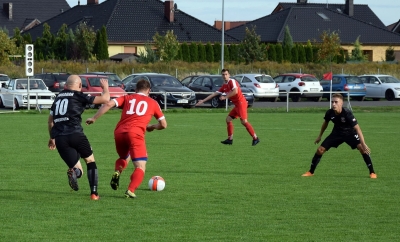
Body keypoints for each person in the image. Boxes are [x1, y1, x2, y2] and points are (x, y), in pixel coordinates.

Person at [86, 79, 167, 199]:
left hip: (119, 132)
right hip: (135, 133)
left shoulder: (127, 97)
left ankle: (118, 171)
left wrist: (94, 118)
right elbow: (163, 125)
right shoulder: (153, 103)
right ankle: (130, 190)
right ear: (149, 91)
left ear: (135, 89)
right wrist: (152, 127)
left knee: (124, 157)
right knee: (140, 166)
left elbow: (108, 104)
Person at [47, 75, 110, 200]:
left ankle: (74, 173)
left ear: (66, 85)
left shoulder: (58, 98)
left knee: (78, 169)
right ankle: (94, 194)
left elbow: (50, 122)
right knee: (90, 161)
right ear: (80, 86)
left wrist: (52, 138)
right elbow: (105, 99)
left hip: (60, 138)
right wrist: (106, 88)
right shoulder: (78, 95)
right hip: (76, 135)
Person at [302, 93, 377, 179]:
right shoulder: (330, 113)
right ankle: (310, 172)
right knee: (320, 150)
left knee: (362, 149)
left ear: (341, 103)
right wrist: (320, 136)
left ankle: (372, 172)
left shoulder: (347, 113)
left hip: (350, 133)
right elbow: (325, 123)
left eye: (336, 102)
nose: (333, 104)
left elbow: (358, 129)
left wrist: (363, 144)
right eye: (332, 102)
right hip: (337, 133)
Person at [195, 69, 259, 146]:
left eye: (226, 74)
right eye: (223, 74)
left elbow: (235, 91)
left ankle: (255, 138)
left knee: (244, 121)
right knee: (228, 119)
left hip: (241, 103)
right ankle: (230, 139)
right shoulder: (224, 86)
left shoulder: (232, 81)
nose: (224, 76)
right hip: (237, 105)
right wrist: (203, 101)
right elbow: (214, 94)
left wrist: (225, 97)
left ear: (229, 75)